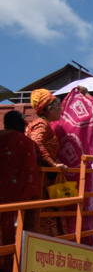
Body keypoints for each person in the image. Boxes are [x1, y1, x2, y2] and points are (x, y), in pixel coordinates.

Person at [52, 87, 93, 236]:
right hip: (74, 174)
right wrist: (87, 93)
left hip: (57, 175)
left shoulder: (56, 124)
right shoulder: (59, 125)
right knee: (74, 212)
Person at [26, 89, 69, 235]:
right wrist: (53, 164)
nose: (61, 111)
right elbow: (36, 142)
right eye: (58, 107)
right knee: (43, 215)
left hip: (43, 178)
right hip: (42, 180)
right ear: (49, 109)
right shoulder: (41, 124)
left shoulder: (41, 124)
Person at [0, 110, 42, 260]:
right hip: (10, 191)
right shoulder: (25, 142)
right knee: (6, 225)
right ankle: (5, 263)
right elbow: (30, 168)